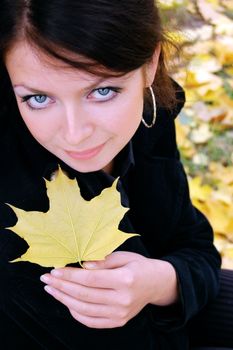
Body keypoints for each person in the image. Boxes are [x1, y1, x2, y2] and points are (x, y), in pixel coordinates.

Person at [0, 1, 231, 349]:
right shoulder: (21, 204)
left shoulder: (150, 112)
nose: (75, 134)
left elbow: (193, 242)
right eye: (37, 98)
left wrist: (159, 281)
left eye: (102, 91)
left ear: (150, 63)